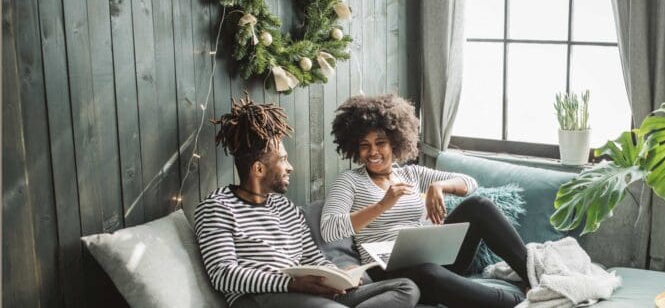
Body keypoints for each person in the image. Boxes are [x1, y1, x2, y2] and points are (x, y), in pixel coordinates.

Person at [195, 94, 420, 308]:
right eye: (282, 160)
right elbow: (223, 274)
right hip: (260, 298)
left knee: (406, 288)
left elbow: (312, 256)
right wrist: (290, 283)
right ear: (259, 168)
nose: (290, 167)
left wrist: (338, 276)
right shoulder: (217, 207)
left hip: (304, 293)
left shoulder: (285, 208)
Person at [322, 94, 529, 308]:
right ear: (355, 148)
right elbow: (330, 228)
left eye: (380, 143)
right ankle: (517, 302)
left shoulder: (412, 174)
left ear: (395, 143)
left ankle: (535, 279)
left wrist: (438, 186)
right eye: (365, 145)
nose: (373, 152)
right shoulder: (349, 181)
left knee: (479, 206)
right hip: (388, 271)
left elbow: (470, 182)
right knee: (426, 272)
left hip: (430, 259)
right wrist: (382, 205)